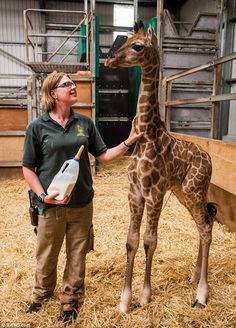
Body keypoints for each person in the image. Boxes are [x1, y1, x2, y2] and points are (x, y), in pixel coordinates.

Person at [22, 71, 143, 325]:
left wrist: (128, 141)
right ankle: (41, 294)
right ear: (54, 93)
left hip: (81, 203)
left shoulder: (85, 123)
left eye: (73, 83)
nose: (73, 86)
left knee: (77, 253)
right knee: (46, 253)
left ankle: (70, 300)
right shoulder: (37, 127)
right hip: (50, 203)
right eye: (67, 84)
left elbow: (104, 156)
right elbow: (28, 168)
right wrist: (43, 196)